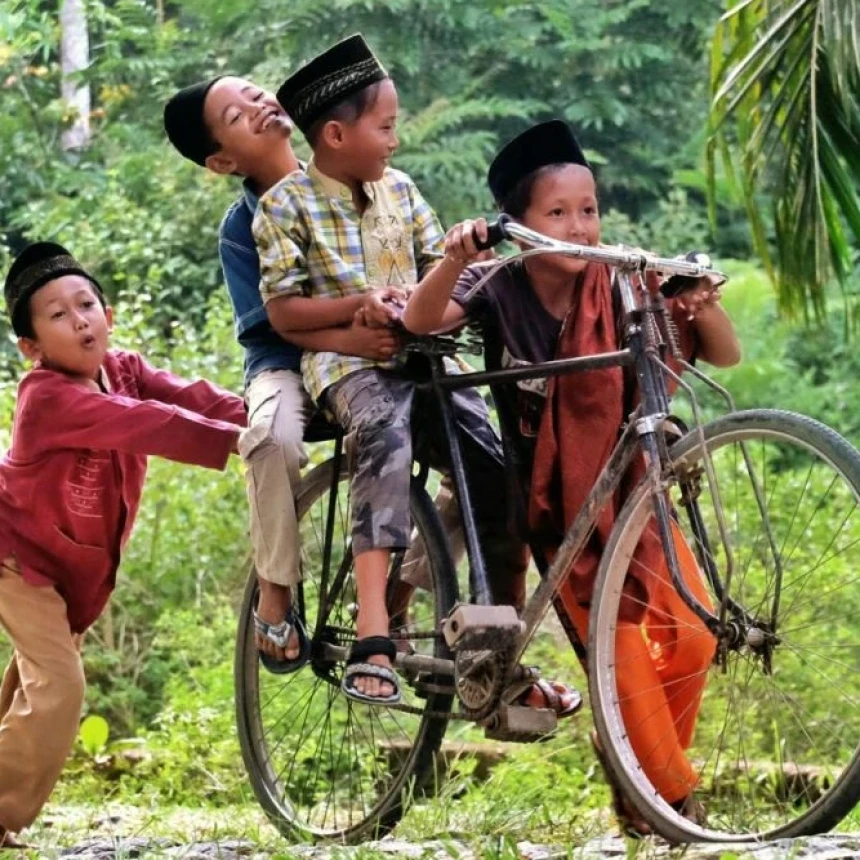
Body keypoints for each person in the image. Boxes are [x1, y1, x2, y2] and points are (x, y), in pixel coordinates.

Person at [402, 119, 741, 833]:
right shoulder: (496, 280)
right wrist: (452, 256)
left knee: (694, 636)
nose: (579, 227)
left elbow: (726, 354)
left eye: (588, 210)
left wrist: (702, 300)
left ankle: (639, 773)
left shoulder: (622, 279)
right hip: (559, 503)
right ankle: (671, 801)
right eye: (556, 213)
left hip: (634, 483)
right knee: (618, 649)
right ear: (518, 224)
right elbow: (421, 319)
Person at [254, 35, 578, 712]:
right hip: (349, 367)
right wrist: (359, 308)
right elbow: (284, 314)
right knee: (386, 436)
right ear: (337, 134)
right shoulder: (284, 206)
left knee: (493, 467)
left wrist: (470, 266)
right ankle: (373, 628)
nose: (395, 141)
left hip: (428, 363)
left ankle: (493, 653)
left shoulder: (401, 190)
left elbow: (441, 269)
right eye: (386, 126)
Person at [0, 242, 247, 847]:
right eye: (57, 315)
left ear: (107, 313)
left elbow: (190, 398)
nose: (79, 319)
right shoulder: (48, 398)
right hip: (14, 554)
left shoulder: (126, 370)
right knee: (60, 685)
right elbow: (154, 425)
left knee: (34, 684)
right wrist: (246, 440)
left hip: (67, 566)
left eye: (86, 303)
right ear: (30, 347)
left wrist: (265, 414)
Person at [164, 75, 402, 672]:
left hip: (372, 351)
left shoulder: (352, 174)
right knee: (270, 438)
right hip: (286, 364)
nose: (259, 105)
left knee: (472, 454)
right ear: (222, 160)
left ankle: (409, 586)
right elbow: (270, 325)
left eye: (254, 92)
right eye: (238, 114)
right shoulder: (240, 226)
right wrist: (352, 327)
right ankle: (276, 588)